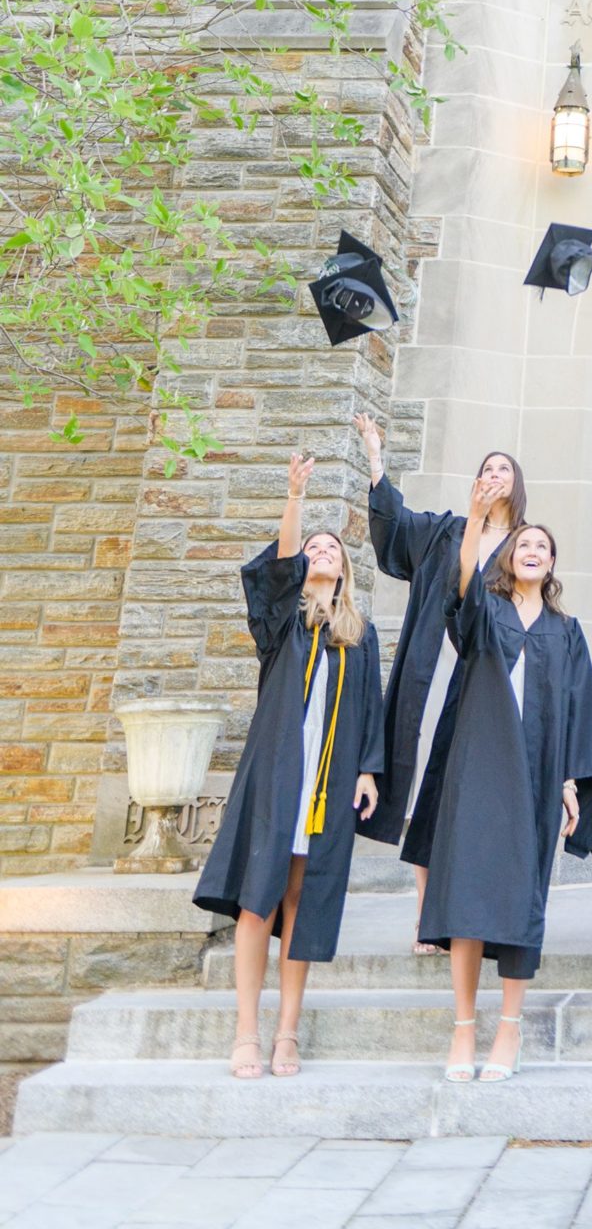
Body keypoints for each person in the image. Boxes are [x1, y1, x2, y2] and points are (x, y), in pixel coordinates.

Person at [419, 474, 592, 1081]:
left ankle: (507, 1029)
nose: (533, 551)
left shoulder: (567, 631)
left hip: (536, 778)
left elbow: (577, 709)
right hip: (479, 771)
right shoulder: (487, 611)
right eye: (524, 545)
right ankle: (462, 1029)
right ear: (509, 557)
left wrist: (568, 784)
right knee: (467, 895)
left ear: (553, 564)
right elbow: (458, 598)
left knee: (523, 897)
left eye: (544, 547)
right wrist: (476, 520)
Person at [195, 453, 383, 1079]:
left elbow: (372, 708)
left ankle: (287, 1033)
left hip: (327, 785)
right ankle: (246, 1033)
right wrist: (294, 499)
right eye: (314, 546)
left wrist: (368, 770)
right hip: (275, 779)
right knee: (259, 903)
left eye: (333, 547)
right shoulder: (282, 622)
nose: (324, 550)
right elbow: (274, 573)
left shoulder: (360, 632)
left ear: (347, 568)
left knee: (302, 901)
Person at [353, 414, 525, 948]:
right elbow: (396, 529)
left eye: (505, 469)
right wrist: (376, 460)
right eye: (487, 467)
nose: (495, 474)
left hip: (485, 679)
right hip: (435, 670)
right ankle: (427, 916)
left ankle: (471, 913)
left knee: (466, 799)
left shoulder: (526, 544)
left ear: (517, 485)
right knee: (427, 791)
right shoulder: (447, 530)